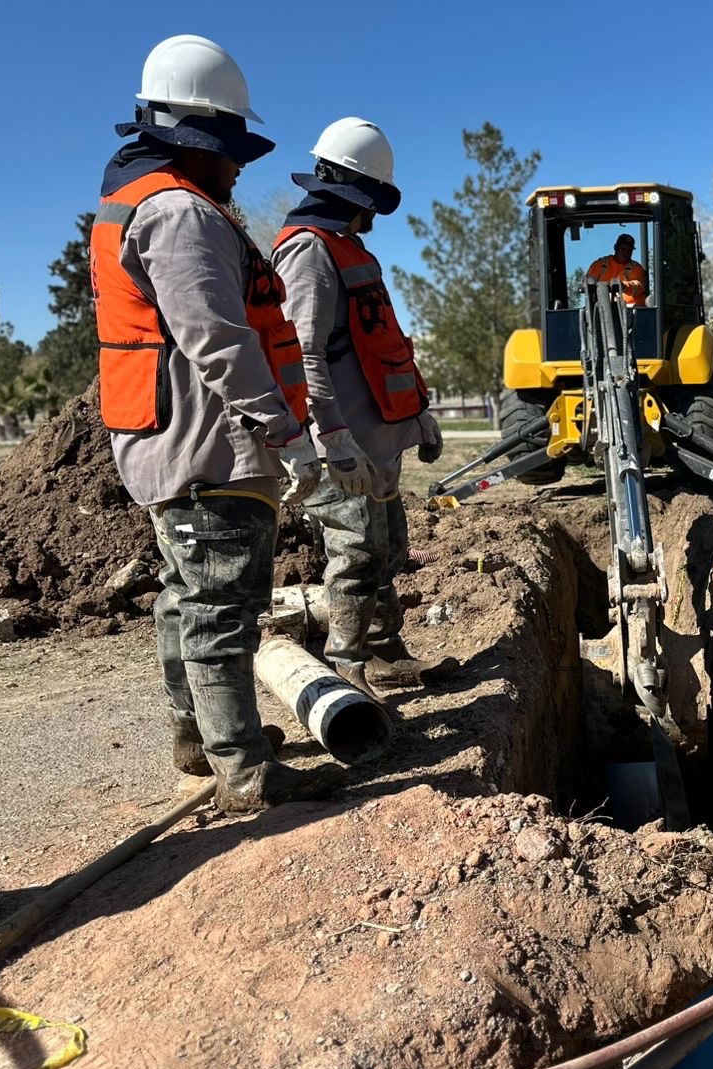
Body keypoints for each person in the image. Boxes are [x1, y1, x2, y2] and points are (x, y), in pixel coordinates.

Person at [91, 34, 342, 813]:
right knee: (220, 610)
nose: (237, 167)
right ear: (192, 142)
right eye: (228, 150)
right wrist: (284, 431)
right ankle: (245, 771)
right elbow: (219, 339)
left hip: (173, 439)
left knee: (185, 600)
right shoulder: (179, 214)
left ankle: (200, 744)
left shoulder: (143, 202)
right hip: (210, 445)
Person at [271, 118, 448, 696]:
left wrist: (418, 414)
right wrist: (335, 439)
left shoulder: (350, 250)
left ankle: (385, 651)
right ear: (356, 196)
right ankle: (346, 669)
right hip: (341, 448)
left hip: (378, 443)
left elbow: (387, 343)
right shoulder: (307, 253)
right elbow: (304, 355)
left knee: (388, 549)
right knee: (356, 555)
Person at [586, 233, 649, 306]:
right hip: (603, 308)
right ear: (615, 248)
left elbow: (639, 285)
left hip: (631, 308)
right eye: (623, 249)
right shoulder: (600, 264)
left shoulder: (636, 267)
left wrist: (624, 286)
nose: (626, 253)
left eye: (629, 250)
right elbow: (588, 282)